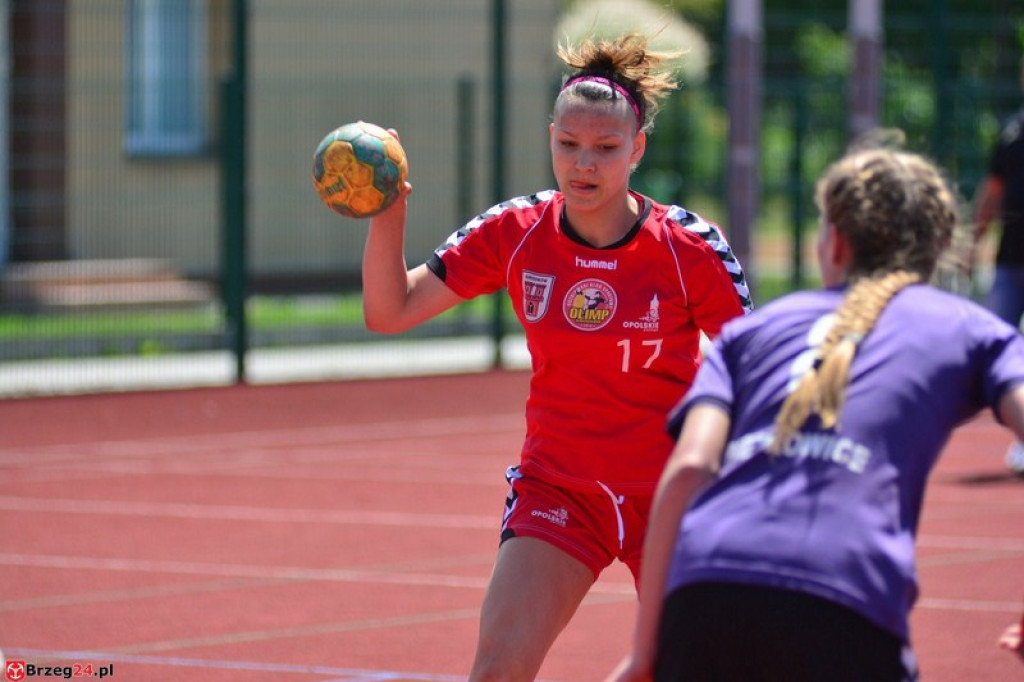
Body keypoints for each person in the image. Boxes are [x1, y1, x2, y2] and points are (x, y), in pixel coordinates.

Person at [361, 32, 751, 682]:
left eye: (605, 148)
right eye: (568, 145)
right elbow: (390, 309)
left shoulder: (690, 249)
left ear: (638, 149)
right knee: (498, 668)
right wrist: (387, 214)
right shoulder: (516, 233)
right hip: (562, 490)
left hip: (674, 494)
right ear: (550, 137)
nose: (584, 165)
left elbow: (756, 370)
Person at [606, 137, 1024, 682]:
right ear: (937, 246)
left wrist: (646, 653)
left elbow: (687, 469)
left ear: (836, 245)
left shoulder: (751, 333)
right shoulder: (971, 329)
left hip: (706, 588)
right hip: (844, 595)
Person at [974, 57, 1024, 472]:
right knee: (999, 349)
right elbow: (992, 191)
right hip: (1011, 259)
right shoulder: (1011, 132)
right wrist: (974, 240)